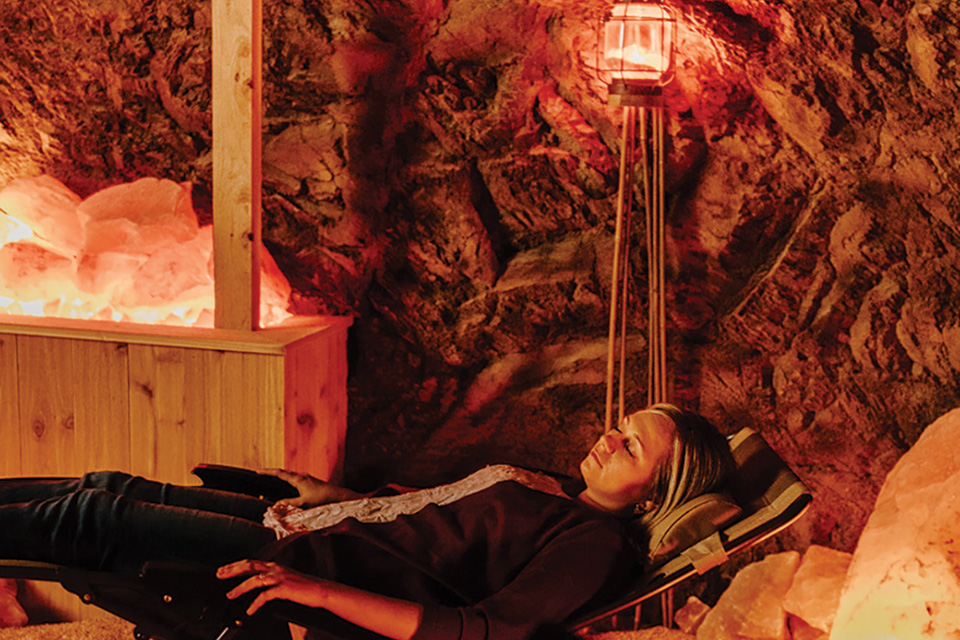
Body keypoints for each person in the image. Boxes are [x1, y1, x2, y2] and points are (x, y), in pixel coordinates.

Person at [0, 403, 733, 640]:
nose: (609, 436)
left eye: (631, 445)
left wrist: (315, 594)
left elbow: (477, 630)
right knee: (107, 485)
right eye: (622, 424)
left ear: (655, 493)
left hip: (317, 563)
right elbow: (434, 521)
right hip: (321, 522)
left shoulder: (593, 546)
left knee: (97, 517)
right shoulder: (559, 495)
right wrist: (331, 493)